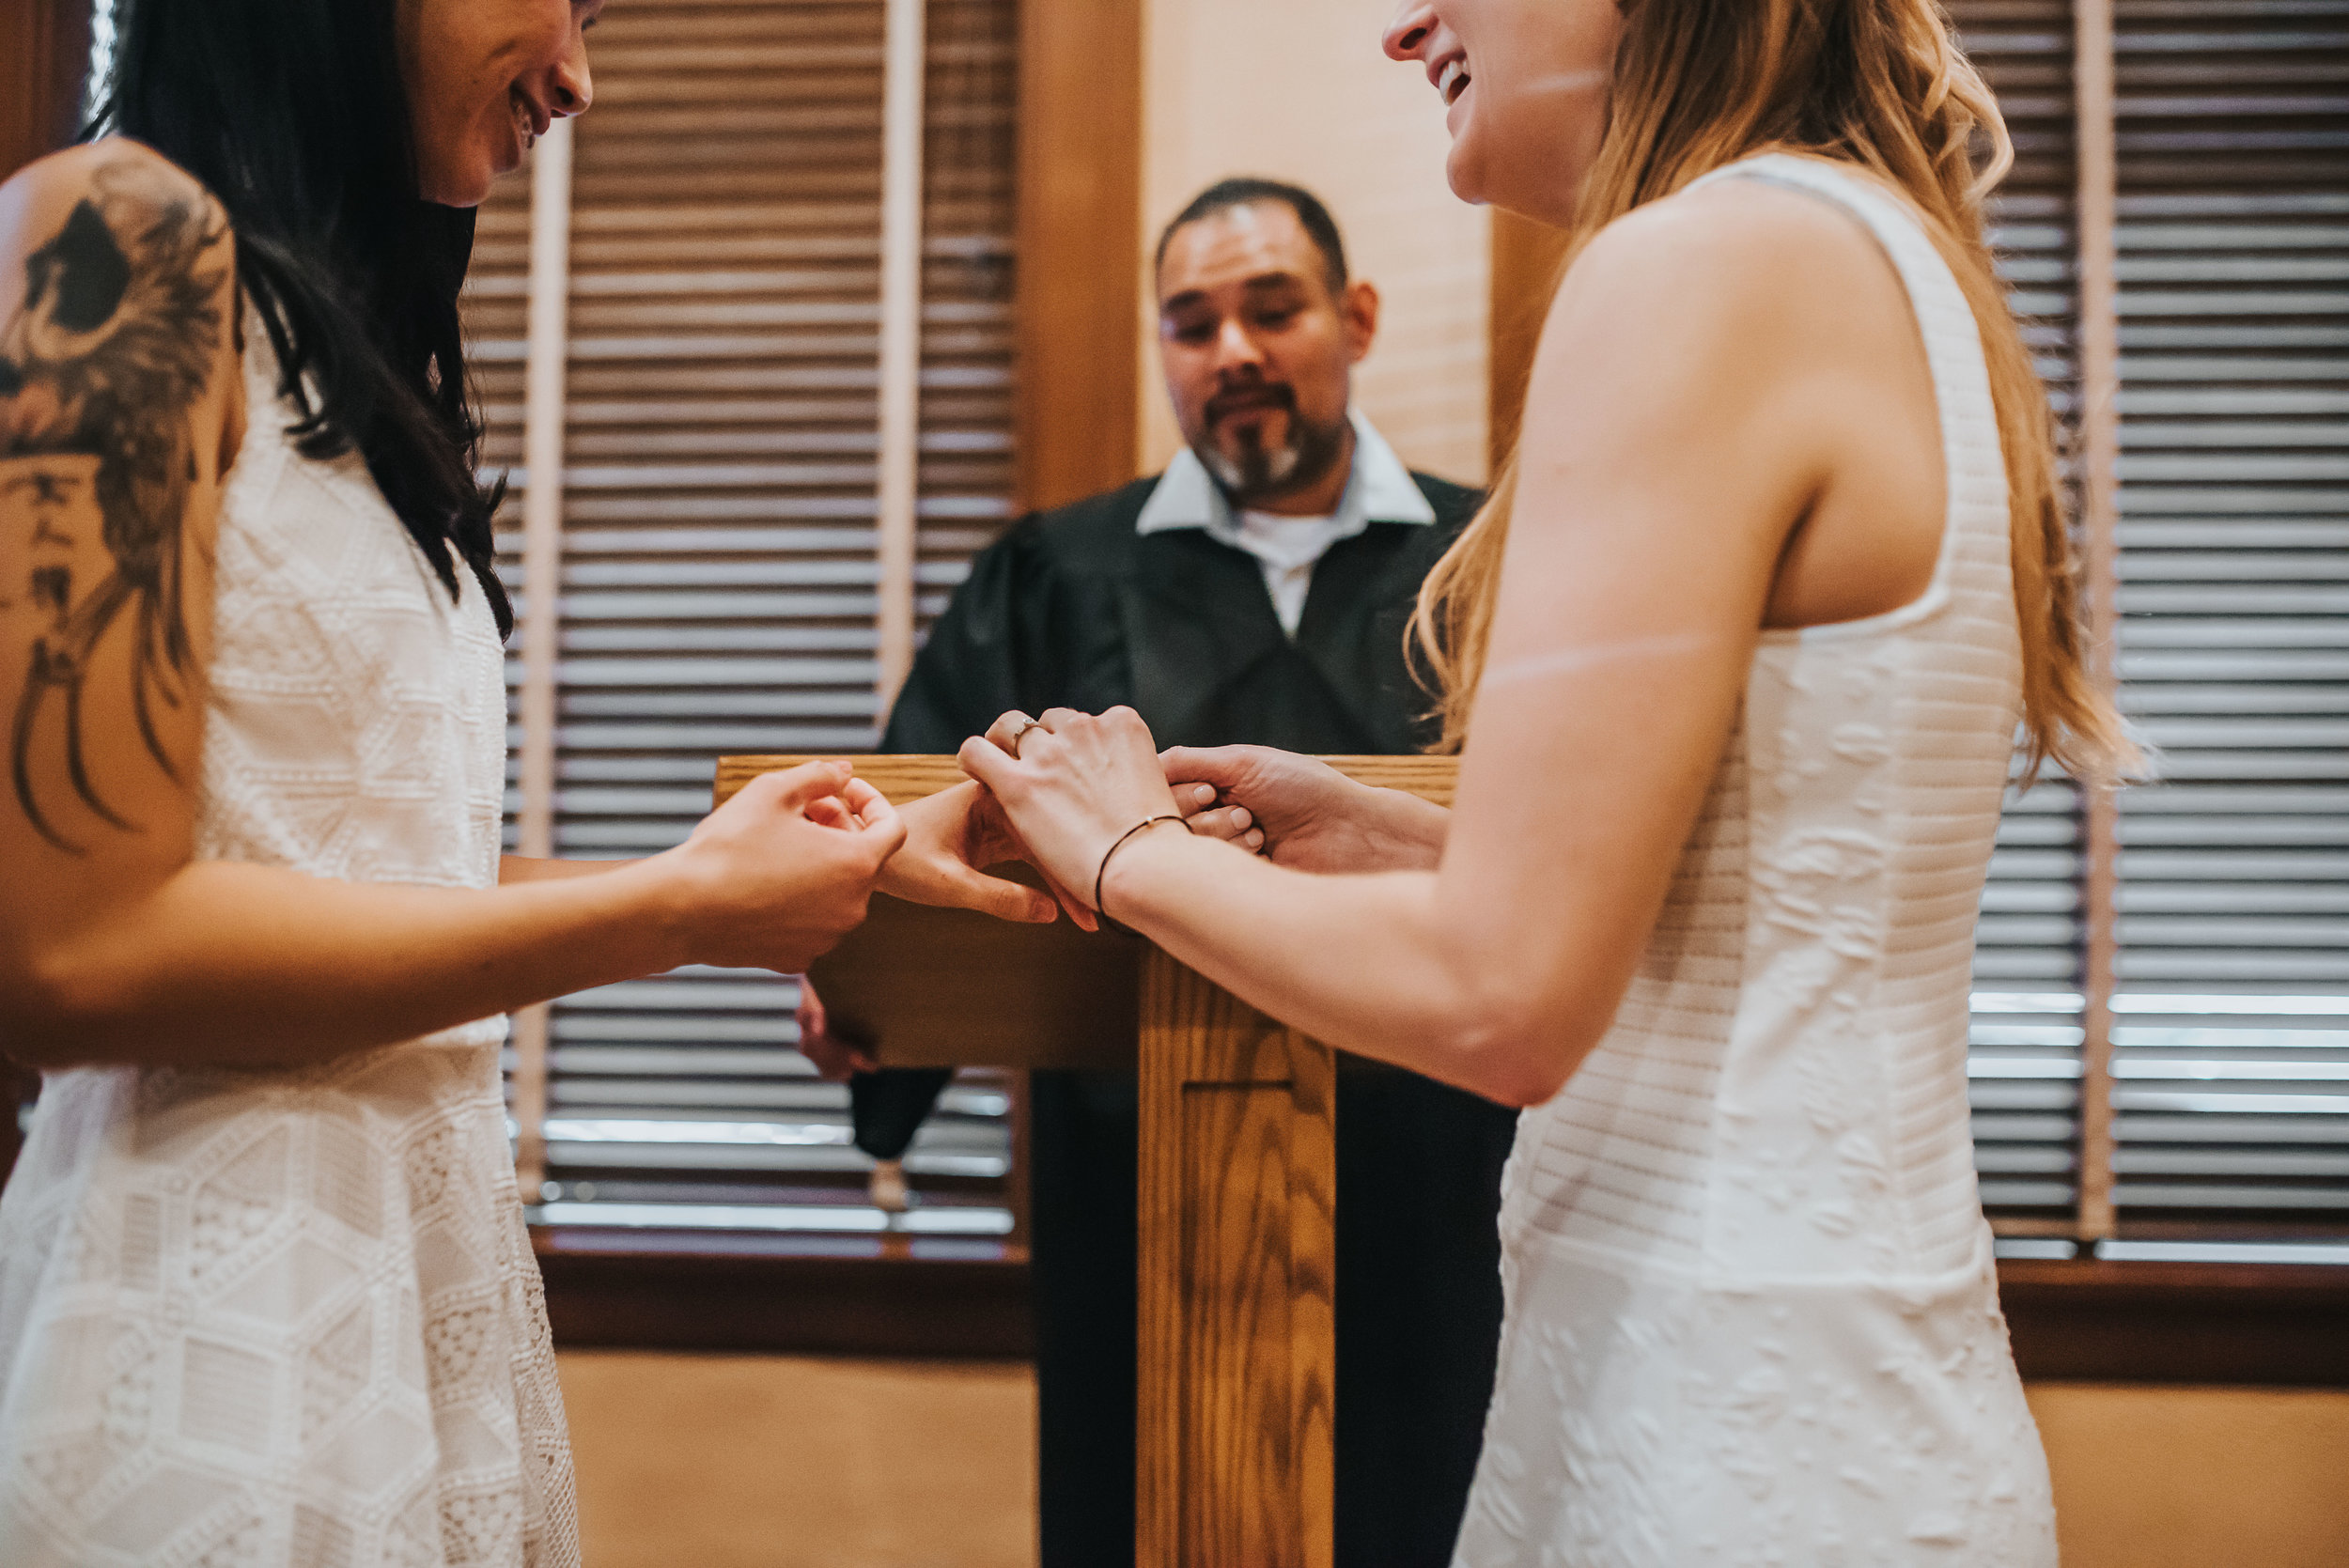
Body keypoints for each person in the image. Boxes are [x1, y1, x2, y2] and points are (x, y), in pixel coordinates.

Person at [946, 0, 2138, 1561]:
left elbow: (1505, 998)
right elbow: (1765, 866)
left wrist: (1132, 853)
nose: (1407, 25)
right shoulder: (1870, 253)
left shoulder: (1694, 267)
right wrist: (1397, 839)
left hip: (1715, 1399)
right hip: (1834, 1361)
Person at [0, 0, 1036, 1560]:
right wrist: (678, 911)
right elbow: (67, 949)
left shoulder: (324, 344)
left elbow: (340, 879)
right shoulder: (111, 237)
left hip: (418, 1286)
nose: (579, 74)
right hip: (201, 1316)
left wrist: (824, 858)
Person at [803, 179, 1519, 1566]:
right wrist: (868, 1005)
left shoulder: (1492, 562)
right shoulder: (1056, 572)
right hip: (1138, 1201)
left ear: (1354, 319)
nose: (1233, 350)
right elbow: (915, 834)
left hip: (1447, 1192)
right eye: (1192, 324)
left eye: (1272, 309)